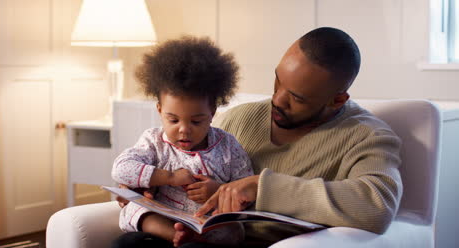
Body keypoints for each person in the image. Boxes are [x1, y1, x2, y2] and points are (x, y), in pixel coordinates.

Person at [173, 27, 403, 247]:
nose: (278, 100)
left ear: (337, 101)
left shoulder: (367, 136)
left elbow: (377, 205)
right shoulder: (238, 118)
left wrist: (262, 188)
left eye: (298, 98)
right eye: (278, 81)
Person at [110, 36, 254, 248]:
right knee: (126, 242)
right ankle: (174, 235)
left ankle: (189, 238)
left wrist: (218, 190)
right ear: (159, 110)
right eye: (173, 120)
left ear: (212, 112)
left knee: (230, 232)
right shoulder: (153, 141)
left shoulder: (228, 147)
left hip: (207, 232)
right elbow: (121, 170)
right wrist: (167, 177)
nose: (184, 129)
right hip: (160, 226)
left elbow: (248, 190)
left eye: (196, 121)